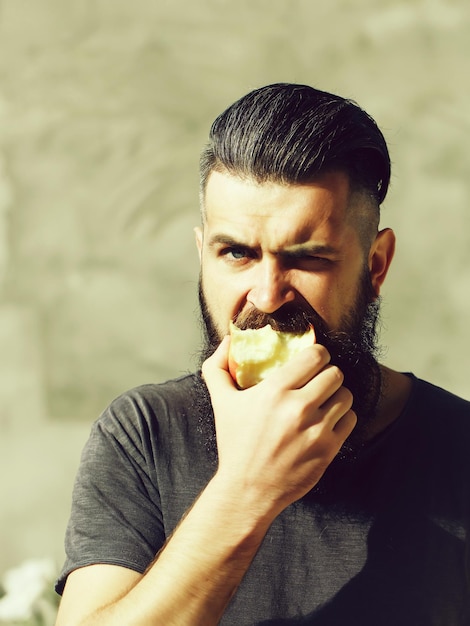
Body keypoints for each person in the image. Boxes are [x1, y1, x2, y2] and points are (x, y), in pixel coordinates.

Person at [54, 83, 470, 626]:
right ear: (202, 255)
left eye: (308, 258)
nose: (267, 295)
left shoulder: (457, 446)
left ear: (376, 266)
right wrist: (248, 489)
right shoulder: (141, 435)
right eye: (236, 253)